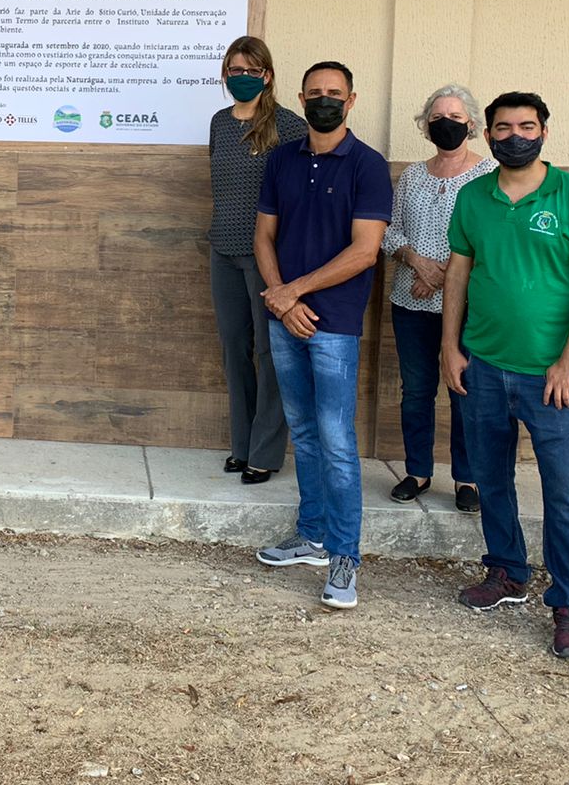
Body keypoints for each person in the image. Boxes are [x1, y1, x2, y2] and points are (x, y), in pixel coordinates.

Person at [442, 91, 569, 660]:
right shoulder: (473, 198)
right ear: (486, 135)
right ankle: (507, 571)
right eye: (504, 127)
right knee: (491, 478)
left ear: (544, 131)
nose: (516, 135)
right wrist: (450, 347)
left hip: (550, 376)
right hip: (483, 366)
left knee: (563, 491)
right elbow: (458, 277)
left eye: (527, 125)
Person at [252, 61, 392, 610]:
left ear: (351, 101)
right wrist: (280, 296)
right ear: (302, 99)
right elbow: (264, 235)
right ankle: (310, 536)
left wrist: (295, 294)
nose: (324, 100)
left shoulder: (368, 165)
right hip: (285, 316)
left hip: (331, 323)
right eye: (315, 93)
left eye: (335, 93)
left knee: (337, 443)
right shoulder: (281, 159)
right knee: (304, 432)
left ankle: (344, 556)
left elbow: (365, 251)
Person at [380, 84, 494, 511]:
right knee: (416, 390)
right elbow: (387, 230)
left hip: (466, 306)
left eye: (455, 117)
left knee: (464, 388)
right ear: (426, 126)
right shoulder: (411, 175)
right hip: (410, 300)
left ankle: (467, 478)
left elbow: (487, 240)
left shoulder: (486, 178)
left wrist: (441, 274)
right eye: (437, 117)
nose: (446, 123)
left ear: (472, 125)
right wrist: (414, 258)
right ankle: (417, 471)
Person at [207, 36, 306, 484]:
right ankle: (241, 445)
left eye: (251, 70)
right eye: (234, 69)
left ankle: (264, 453)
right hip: (222, 249)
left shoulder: (288, 125)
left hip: (267, 256)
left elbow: (300, 195)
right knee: (234, 350)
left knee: (270, 354)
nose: (241, 77)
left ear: (267, 75)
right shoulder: (218, 122)